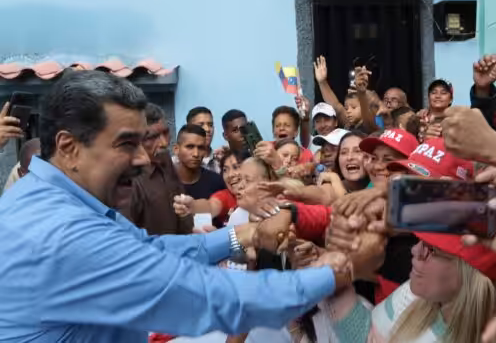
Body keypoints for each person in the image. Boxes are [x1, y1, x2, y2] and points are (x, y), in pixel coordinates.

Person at [0, 70, 353, 342]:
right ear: (69, 147)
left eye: (145, 142)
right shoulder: (60, 231)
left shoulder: (59, 202)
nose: (143, 159)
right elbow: (207, 296)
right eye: (127, 144)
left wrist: (244, 235)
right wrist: (330, 275)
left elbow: (150, 247)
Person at [323, 231, 496, 343]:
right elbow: (365, 336)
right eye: (419, 241)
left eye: (432, 249)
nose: (414, 250)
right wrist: (330, 280)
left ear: (474, 274)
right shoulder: (415, 293)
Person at [119, 103, 193, 235]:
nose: (164, 143)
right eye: (152, 137)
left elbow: (182, 209)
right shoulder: (127, 179)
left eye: (165, 132)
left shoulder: (164, 159)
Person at [174, 124, 226, 201]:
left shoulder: (217, 182)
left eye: (201, 148)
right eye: (190, 147)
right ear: (176, 149)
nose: (196, 154)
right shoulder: (163, 181)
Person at [186, 106, 220, 173]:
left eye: (210, 125)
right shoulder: (178, 163)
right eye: (201, 125)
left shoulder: (221, 160)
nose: (207, 129)